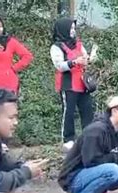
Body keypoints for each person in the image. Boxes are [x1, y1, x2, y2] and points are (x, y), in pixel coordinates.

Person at [50, 18, 95, 152]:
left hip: (82, 84)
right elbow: (59, 66)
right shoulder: (56, 47)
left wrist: (89, 59)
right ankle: (68, 139)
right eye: (71, 29)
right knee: (68, 112)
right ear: (63, 29)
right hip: (68, 84)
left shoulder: (79, 44)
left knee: (87, 111)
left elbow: (85, 58)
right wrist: (75, 62)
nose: (73, 31)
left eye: (74, 29)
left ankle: (89, 137)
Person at [0, 16, 33, 94]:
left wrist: (14, 69)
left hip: (7, 85)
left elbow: (27, 56)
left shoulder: (10, 41)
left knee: (8, 106)